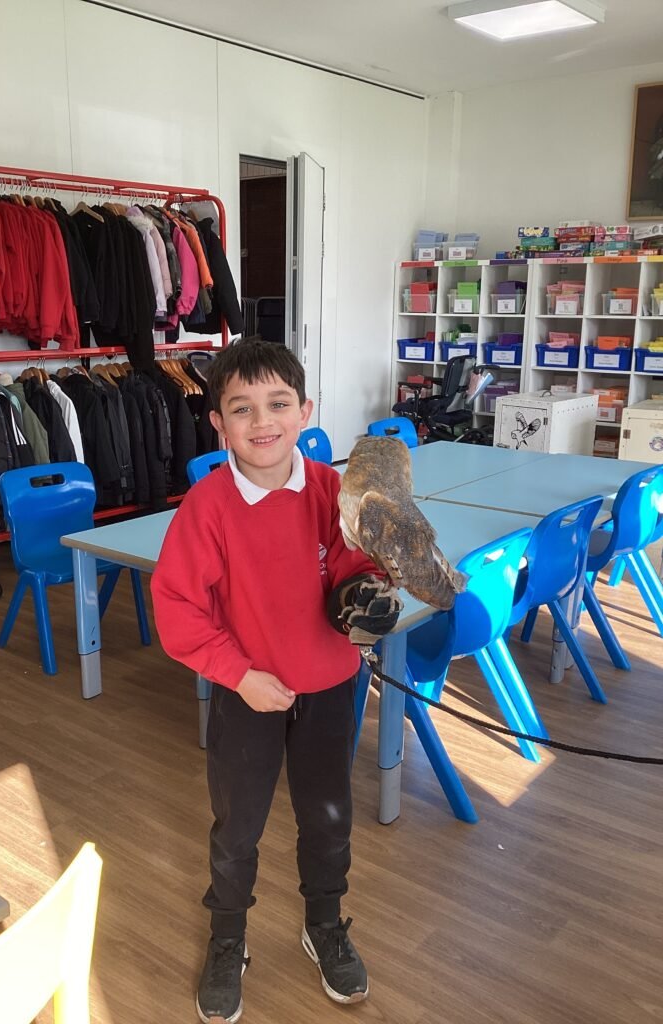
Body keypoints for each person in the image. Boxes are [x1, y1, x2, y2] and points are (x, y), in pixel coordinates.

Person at [151, 338, 402, 1024]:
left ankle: (324, 925)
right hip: (247, 695)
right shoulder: (206, 507)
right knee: (238, 827)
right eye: (242, 408)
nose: (262, 422)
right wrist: (238, 674)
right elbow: (177, 608)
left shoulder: (332, 492)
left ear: (305, 412)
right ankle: (228, 937)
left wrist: (365, 595)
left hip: (330, 686)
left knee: (328, 817)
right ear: (218, 423)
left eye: (278, 404)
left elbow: (354, 566)